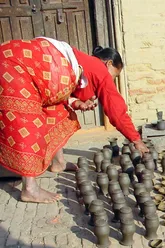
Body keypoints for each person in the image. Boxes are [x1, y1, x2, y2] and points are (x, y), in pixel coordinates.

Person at [0, 37, 149, 203]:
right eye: (113, 76)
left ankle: (59, 163)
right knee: (27, 122)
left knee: (59, 112)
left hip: (19, 60)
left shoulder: (78, 63)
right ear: (107, 64)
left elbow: (53, 91)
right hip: (13, 66)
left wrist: (75, 102)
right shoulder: (98, 69)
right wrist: (136, 139)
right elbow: (115, 109)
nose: (110, 80)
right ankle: (29, 189)